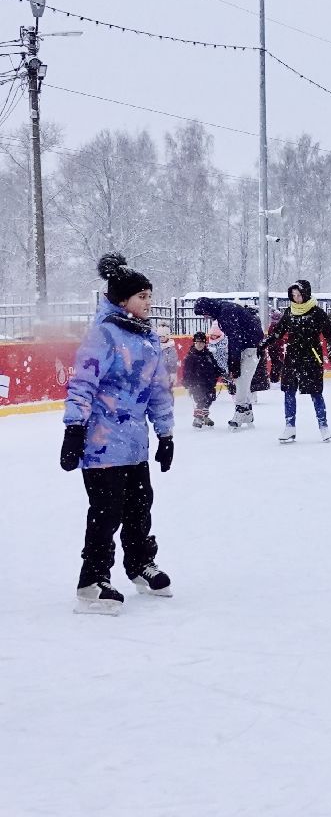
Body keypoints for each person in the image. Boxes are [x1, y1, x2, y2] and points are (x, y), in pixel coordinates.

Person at [62, 254, 176, 614]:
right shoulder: (103, 334)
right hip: (100, 444)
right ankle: (92, 582)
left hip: (134, 444)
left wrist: (166, 434)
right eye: (142, 296)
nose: (149, 301)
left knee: (140, 508)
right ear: (122, 299)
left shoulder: (148, 339)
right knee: (106, 512)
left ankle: (139, 565)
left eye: (149, 295)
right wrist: (74, 430)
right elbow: (82, 384)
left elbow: (159, 391)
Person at [260, 280, 331, 443]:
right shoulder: (289, 312)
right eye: (293, 295)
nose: (296, 298)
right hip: (292, 357)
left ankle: (323, 426)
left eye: (299, 295)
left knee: (316, 393)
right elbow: (278, 333)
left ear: (306, 294)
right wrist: (264, 343)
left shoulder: (317, 312)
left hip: (311, 357)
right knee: (288, 391)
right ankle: (289, 427)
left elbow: (330, 334)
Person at [193, 295, 266, 428]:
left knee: (242, 380)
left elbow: (235, 338)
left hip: (250, 347)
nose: (205, 317)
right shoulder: (223, 309)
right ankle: (248, 413)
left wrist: (234, 362)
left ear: (208, 309)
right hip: (248, 346)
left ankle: (240, 410)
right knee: (240, 380)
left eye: (204, 314)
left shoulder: (226, 312)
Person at [182, 331, 225, 429]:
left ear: (205, 343)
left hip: (209, 383)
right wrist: (187, 381)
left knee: (209, 400)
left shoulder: (208, 355)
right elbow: (187, 371)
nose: (199, 344)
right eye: (197, 342)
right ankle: (198, 418)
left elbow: (215, 366)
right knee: (200, 400)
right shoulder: (191, 356)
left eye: (202, 342)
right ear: (194, 343)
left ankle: (205, 416)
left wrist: (221, 372)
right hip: (196, 384)